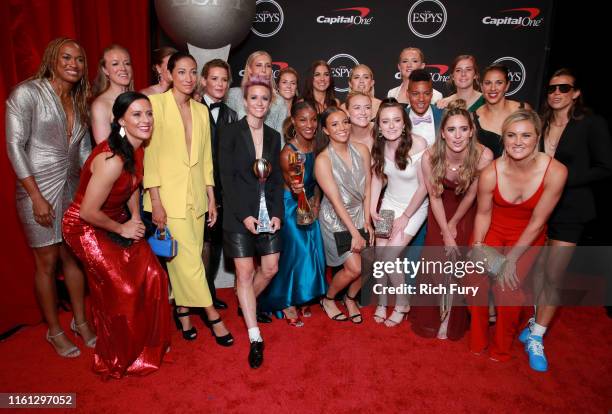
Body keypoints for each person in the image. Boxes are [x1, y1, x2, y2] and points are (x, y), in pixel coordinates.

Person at [62, 92, 171, 378]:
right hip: (85, 226)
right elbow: (87, 212)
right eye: (136, 115)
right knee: (123, 288)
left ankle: (146, 343)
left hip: (117, 218)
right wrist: (123, 228)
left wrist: (135, 216)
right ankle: (118, 354)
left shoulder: (137, 148)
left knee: (154, 275)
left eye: (148, 113)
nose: (145, 120)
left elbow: (134, 185)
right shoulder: (111, 159)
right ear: (120, 120)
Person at [6, 37, 95, 358]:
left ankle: (81, 322)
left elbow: (84, 154)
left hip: (71, 189)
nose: (74, 64)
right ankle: (54, 330)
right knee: (46, 263)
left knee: (73, 258)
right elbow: (15, 146)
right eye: (66, 57)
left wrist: (94, 192)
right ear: (52, 60)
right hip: (37, 189)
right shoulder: (27, 93)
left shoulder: (80, 100)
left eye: (80, 59)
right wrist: (35, 196)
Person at [518, 68, 612, 372]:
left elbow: (604, 167)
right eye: (552, 88)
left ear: (576, 92)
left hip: (571, 210)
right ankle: (535, 322)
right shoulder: (541, 123)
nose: (556, 93)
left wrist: (562, 179)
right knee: (538, 271)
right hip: (536, 208)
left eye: (563, 88)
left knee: (554, 275)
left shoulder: (591, 124)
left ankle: (537, 336)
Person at [143, 52, 233, 347]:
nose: (188, 78)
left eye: (193, 72)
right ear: (169, 74)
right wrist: (155, 201)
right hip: (167, 197)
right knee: (191, 261)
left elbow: (206, 157)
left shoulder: (199, 110)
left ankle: (182, 311)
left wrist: (211, 197)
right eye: (181, 72)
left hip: (196, 197)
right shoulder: (155, 106)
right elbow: (150, 157)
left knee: (186, 258)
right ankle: (212, 317)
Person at [468, 109, 567, 363]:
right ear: (504, 138)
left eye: (526, 135)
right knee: (475, 279)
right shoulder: (491, 171)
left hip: (526, 235)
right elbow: (482, 214)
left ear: (537, 137)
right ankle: (478, 339)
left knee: (507, 286)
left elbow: (537, 222)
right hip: (492, 231)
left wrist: (510, 260)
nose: (518, 141)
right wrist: (478, 246)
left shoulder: (556, 172)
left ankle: (501, 347)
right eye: (511, 135)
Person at [410, 100, 493, 340]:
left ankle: (450, 319)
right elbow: (434, 197)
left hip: (467, 211)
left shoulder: (483, 155)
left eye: (463, 129)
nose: (458, 136)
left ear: (471, 131)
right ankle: (434, 315)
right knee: (436, 261)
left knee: (458, 266)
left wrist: (455, 224)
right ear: (443, 133)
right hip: (440, 210)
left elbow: (471, 194)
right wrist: (446, 231)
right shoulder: (429, 157)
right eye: (452, 130)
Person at [219, 76, 284, 368]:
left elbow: (278, 179)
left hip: (266, 210)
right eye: (254, 98)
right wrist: (243, 215)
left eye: (264, 99)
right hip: (238, 213)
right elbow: (226, 180)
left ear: (270, 104)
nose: (259, 103)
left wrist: (277, 213)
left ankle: (247, 302)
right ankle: (255, 336)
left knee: (270, 268)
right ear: (245, 101)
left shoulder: (273, 135)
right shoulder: (231, 132)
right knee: (244, 274)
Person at [259, 101, 327, 326]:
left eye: (313, 119)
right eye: (303, 120)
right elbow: (294, 184)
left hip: (309, 203)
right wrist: (303, 198)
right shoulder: (289, 152)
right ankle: (285, 301)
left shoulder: (317, 147)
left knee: (313, 251)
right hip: (291, 205)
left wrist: (316, 203)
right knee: (297, 253)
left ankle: (300, 296)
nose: (309, 125)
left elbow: (317, 182)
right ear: (294, 122)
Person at [370, 99, 429, 327]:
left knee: (390, 257)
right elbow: (377, 177)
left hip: (414, 208)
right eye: (385, 121)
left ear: (404, 123)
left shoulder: (419, 144)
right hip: (389, 205)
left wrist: (405, 217)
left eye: (396, 120)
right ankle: (382, 303)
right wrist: (373, 208)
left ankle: (402, 303)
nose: (391, 126)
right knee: (379, 257)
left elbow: (424, 187)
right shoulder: (380, 146)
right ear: (379, 126)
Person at [315, 107, 374, 324]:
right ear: (326, 130)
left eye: (345, 122)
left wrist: (367, 222)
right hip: (336, 220)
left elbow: (367, 187)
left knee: (369, 264)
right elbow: (336, 201)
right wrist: (354, 233)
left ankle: (350, 299)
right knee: (354, 267)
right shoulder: (323, 160)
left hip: (360, 214)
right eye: (335, 124)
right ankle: (329, 299)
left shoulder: (362, 150)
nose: (342, 128)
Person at [199, 58, 239, 310]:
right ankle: (196, 296)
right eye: (214, 78)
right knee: (197, 244)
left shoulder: (232, 115)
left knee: (214, 244)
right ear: (203, 81)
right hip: (196, 187)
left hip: (222, 189)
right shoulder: (191, 109)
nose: (220, 84)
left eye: (224, 79)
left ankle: (208, 292)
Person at [474, 64, 531, 158]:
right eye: (488, 83)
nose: (493, 88)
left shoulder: (523, 109)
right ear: (482, 86)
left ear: (507, 86)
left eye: (499, 83)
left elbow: (535, 144)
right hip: (489, 171)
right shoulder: (474, 118)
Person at [225, 50, 287, 135]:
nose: (264, 70)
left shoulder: (279, 102)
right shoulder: (233, 95)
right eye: (258, 65)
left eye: (268, 66)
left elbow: (281, 140)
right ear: (250, 69)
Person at [91, 45, 134, 144]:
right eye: (115, 64)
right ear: (105, 70)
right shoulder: (100, 105)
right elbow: (105, 151)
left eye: (127, 63)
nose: (123, 68)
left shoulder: (138, 100)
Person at [405, 69, 444, 146]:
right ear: (407, 94)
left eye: (426, 93)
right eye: (415, 94)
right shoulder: (400, 117)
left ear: (432, 94)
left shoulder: (444, 115)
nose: (421, 99)